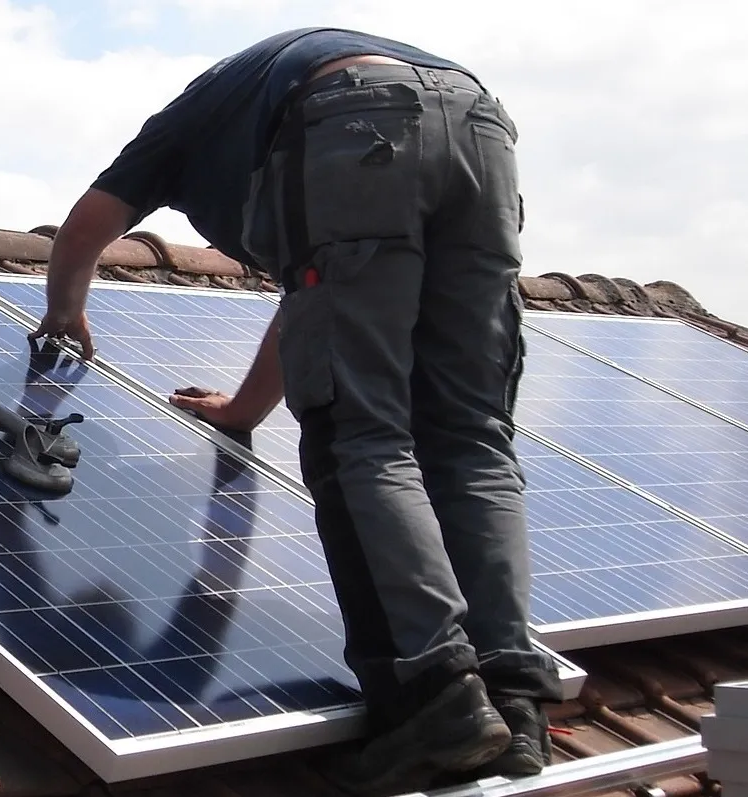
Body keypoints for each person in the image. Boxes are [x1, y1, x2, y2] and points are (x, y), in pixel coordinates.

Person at [29, 27, 562, 793]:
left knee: (362, 439)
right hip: (478, 125)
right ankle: (513, 707)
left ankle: (432, 698)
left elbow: (85, 227)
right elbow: (316, 302)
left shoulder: (181, 130)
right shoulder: (251, 105)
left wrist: (63, 311)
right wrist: (244, 407)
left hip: (354, 119)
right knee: (472, 438)